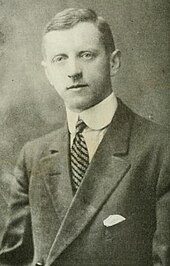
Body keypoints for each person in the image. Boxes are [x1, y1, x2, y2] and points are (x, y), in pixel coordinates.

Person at [0, 7, 170, 266]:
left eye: (86, 55)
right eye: (60, 59)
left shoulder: (160, 149)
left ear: (113, 62)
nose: (73, 70)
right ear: (48, 73)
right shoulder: (33, 156)